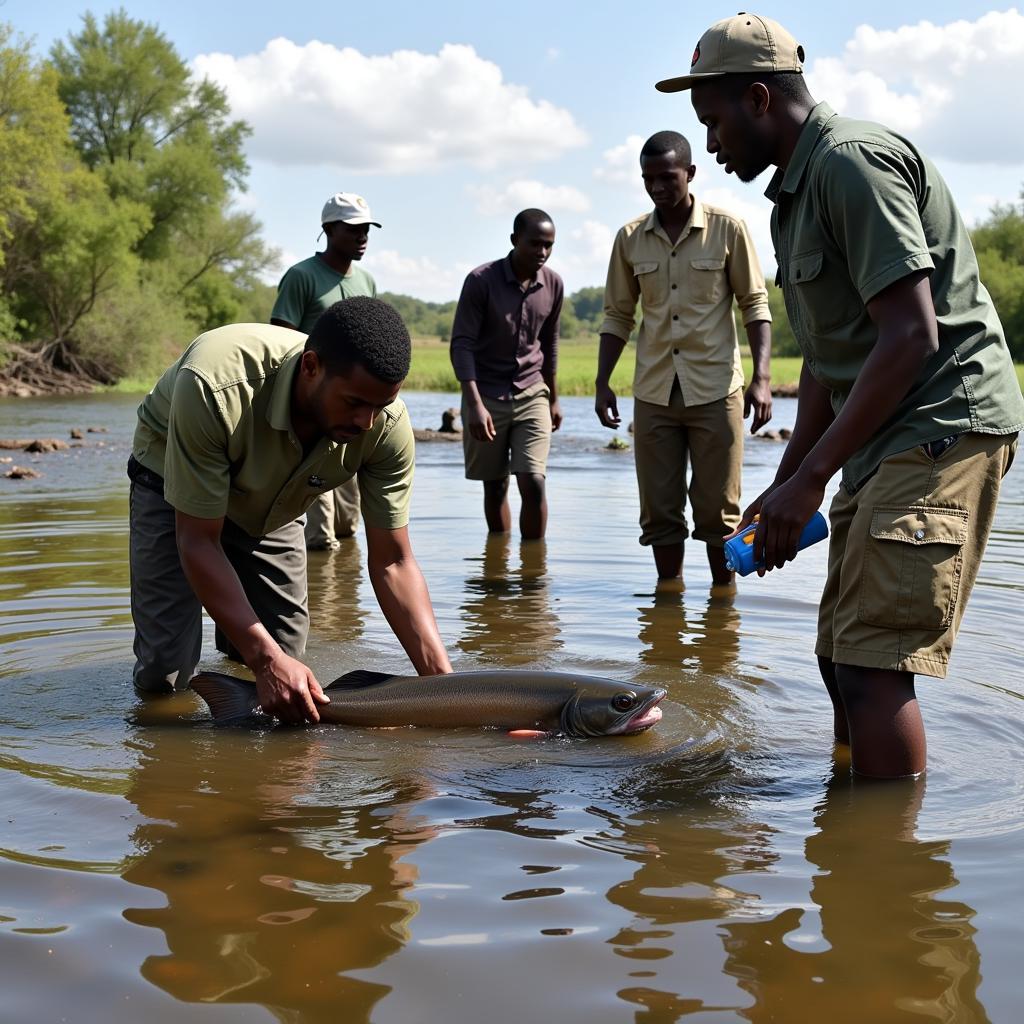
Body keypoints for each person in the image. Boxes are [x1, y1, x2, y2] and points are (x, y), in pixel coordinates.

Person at [661, 12, 1024, 777]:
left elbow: (910, 336)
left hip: (938, 426)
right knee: (839, 655)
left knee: (873, 665)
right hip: (886, 434)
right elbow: (833, 361)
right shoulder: (794, 199)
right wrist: (790, 481)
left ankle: (886, 871)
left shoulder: (851, 164)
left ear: (759, 99)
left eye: (714, 121)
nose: (712, 144)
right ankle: (846, 827)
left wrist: (816, 479)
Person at [128, 297, 452, 723]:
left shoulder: (386, 427)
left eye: (380, 406)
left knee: (290, 675)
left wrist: (449, 690)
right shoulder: (213, 384)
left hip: (275, 499)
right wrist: (264, 661)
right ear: (311, 367)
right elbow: (198, 541)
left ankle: (237, 665)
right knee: (164, 680)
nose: (366, 422)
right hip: (172, 482)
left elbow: (393, 561)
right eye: (355, 402)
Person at [595, 131, 772, 587]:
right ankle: (667, 605)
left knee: (719, 510)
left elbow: (754, 304)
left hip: (716, 389)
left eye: (667, 177)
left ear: (690, 174)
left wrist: (763, 377)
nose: (657, 187)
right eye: (648, 179)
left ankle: (722, 601)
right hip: (654, 392)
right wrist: (601, 382)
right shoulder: (630, 238)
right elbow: (617, 315)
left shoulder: (727, 229)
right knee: (658, 510)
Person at [271, 192, 382, 550]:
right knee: (320, 532)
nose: (362, 237)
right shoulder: (302, 276)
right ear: (329, 229)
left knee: (348, 523)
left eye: (366, 229)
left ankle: (343, 599)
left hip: (351, 416)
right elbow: (279, 340)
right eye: (353, 230)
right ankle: (322, 594)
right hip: (312, 411)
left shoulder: (366, 282)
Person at [450, 208, 564, 540]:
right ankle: (496, 565)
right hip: (485, 394)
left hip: (532, 392)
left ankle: (533, 572)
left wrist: (554, 399)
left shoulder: (553, 284)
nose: (542, 252)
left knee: (533, 481)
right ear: (514, 241)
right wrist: (473, 405)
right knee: (495, 486)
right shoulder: (480, 281)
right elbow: (461, 344)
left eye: (549, 245)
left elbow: (550, 343)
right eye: (534, 244)